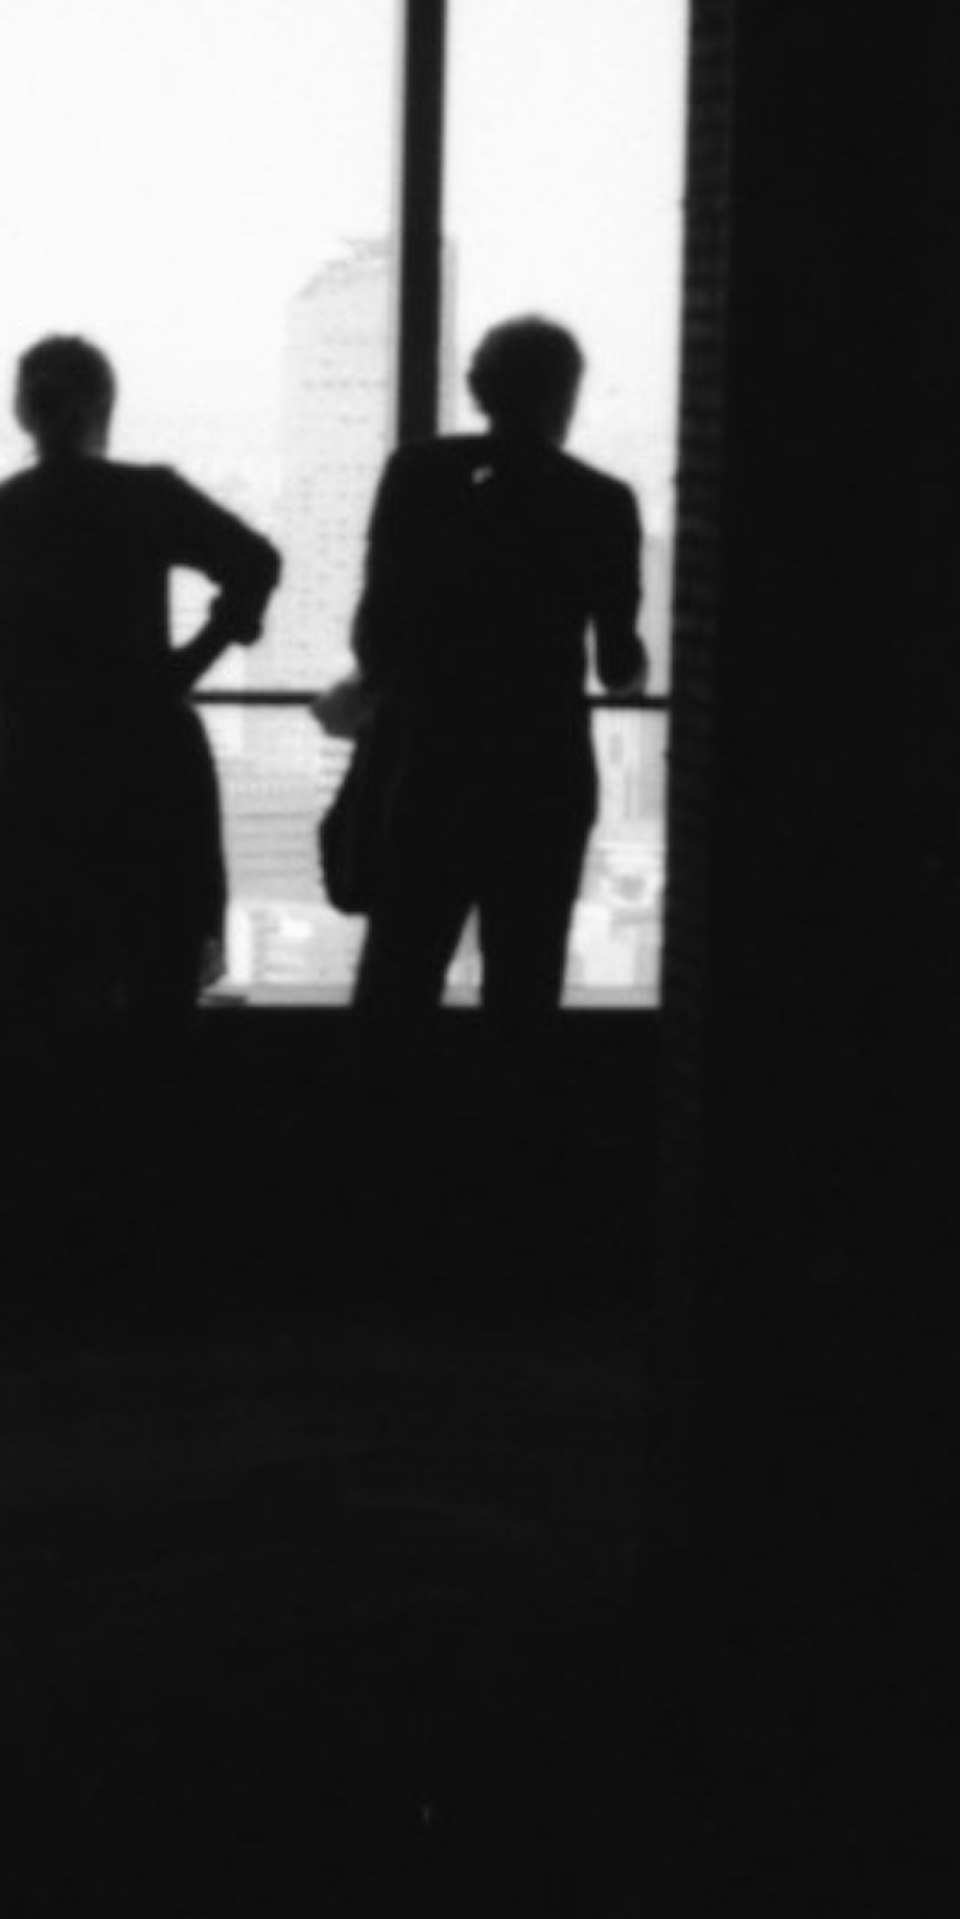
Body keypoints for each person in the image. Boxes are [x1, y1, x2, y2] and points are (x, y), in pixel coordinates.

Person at [0, 335, 279, 1287]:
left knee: (27, 1009)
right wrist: (185, 666)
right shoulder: (149, 497)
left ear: (24, 411)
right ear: (103, 404)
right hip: (147, 763)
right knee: (157, 1000)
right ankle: (155, 1240)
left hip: (38, 771)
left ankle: (29, 1244)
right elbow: (256, 562)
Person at [337, 312, 650, 1262]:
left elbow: (375, 635)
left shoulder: (419, 476)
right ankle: (510, 1221)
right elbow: (618, 664)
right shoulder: (601, 501)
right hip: (543, 778)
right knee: (524, 997)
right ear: (566, 393)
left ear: (477, 387)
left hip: (431, 765)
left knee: (398, 984)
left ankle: (375, 1208)